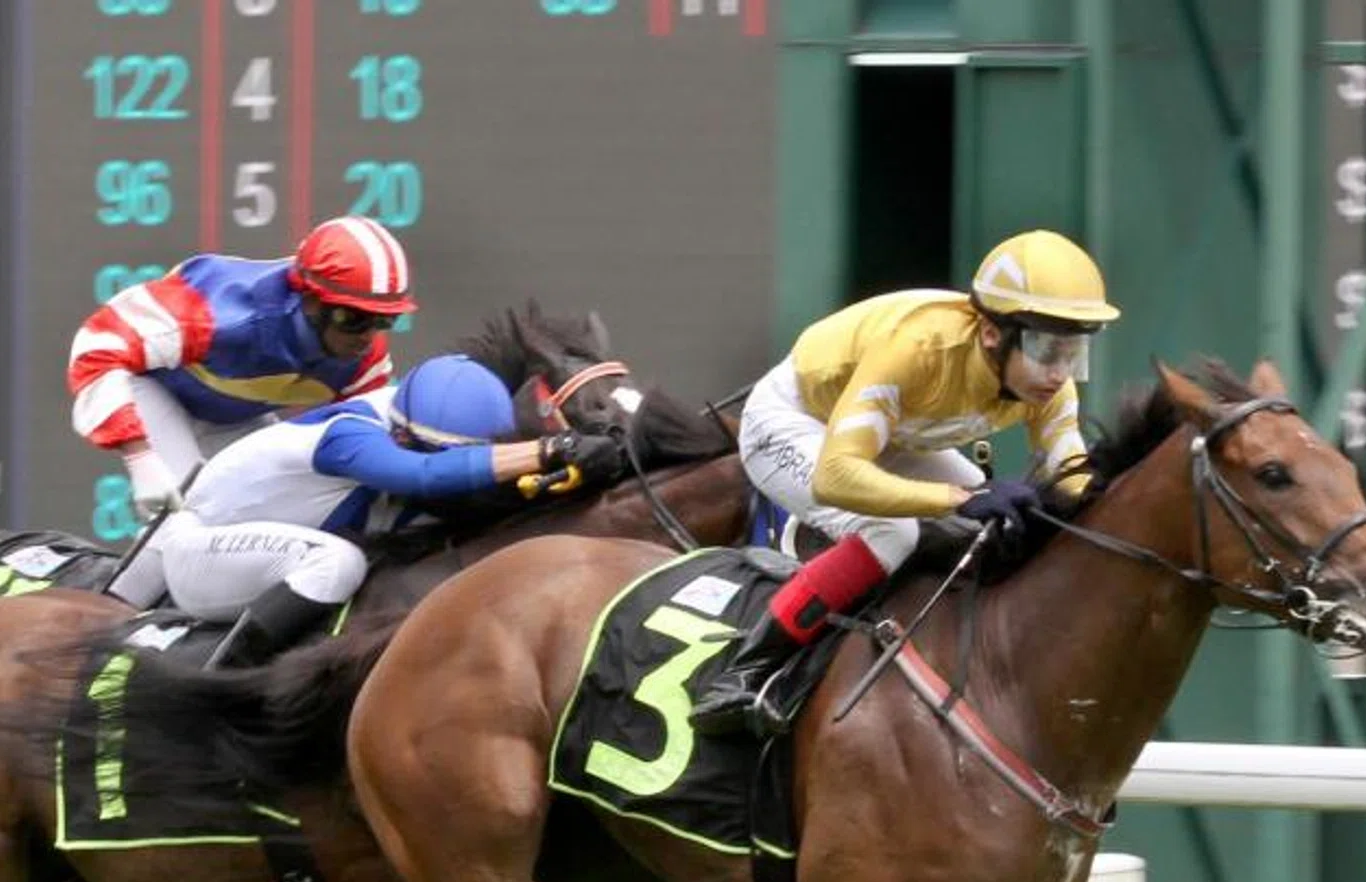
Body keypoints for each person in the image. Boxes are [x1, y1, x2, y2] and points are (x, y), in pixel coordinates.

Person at [688, 229, 1121, 734]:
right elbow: (837, 475)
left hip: (894, 437)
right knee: (893, 532)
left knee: (998, 529)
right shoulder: (918, 349)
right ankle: (741, 674)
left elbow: (1071, 476)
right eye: (1047, 349)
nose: (1059, 372)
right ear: (990, 335)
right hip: (796, 423)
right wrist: (959, 500)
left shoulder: (1047, 383)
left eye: (1074, 352)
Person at [108, 353, 625, 661]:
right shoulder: (350, 436)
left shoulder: (430, 415)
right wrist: (545, 451)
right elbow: (422, 474)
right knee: (338, 564)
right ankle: (226, 687)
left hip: (265, 556)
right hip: (199, 557)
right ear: (401, 433)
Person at [67, 215, 417, 521]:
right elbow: (95, 347)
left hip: (236, 414)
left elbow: (370, 436)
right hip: (154, 391)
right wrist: (139, 457)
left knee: (268, 516)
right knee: (184, 517)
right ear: (310, 300)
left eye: (385, 320)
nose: (368, 337)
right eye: (352, 318)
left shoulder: (365, 359)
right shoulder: (219, 315)